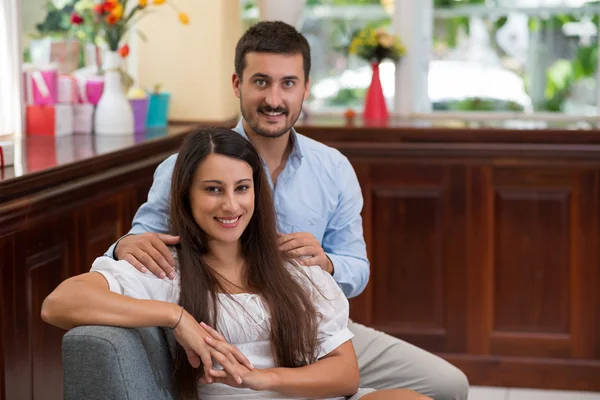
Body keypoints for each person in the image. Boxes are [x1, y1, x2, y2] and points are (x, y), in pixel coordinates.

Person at [106, 22, 469, 400]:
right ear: (237, 84)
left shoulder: (332, 168)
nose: (274, 99)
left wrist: (326, 263)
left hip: (309, 330)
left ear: (306, 88)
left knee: (448, 386)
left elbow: (358, 269)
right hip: (229, 338)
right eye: (261, 82)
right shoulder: (186, 166)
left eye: (288, 84)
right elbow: (138, 251)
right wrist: (124, 246)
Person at [42, 127, 430, 400]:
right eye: (213, 190)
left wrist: (261, 379)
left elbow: (346, 375)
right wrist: (176, 317)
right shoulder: (166, 269)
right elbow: (58, 304)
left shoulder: (293, 267)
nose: (231, 205)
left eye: (242, 188)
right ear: (186, 196)